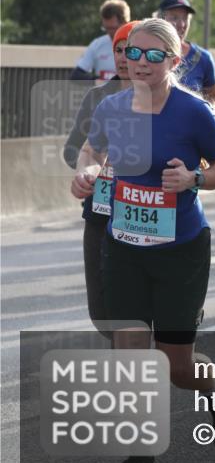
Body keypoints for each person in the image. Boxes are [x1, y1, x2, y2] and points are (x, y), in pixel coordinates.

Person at [70, 18, 215, 463]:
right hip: (123, 245)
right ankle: (140, 457)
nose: (139, 62)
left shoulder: (192, 111)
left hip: (181, 250)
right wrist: (86, 174)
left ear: (174, 59)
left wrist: (195, 180)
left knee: (176, 366)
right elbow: (90, 152)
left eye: (152, 54)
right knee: (129, 351)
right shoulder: (112, 107)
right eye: (132, 53)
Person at [63, 20, 137, 336]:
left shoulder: (168, 101)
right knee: (103, 316)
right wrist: (87, 170)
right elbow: (75, 150)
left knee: (139, 316)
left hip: (145, 217)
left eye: (131, 50)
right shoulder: (99, 98)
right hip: (102, 213)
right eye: (118, 49)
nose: (124, 56)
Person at [157, 0, 215, 107]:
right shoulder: (147, 54)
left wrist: (205, 113)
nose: (182, 25)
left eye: (185, 18)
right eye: (174, 18)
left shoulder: (202, 57)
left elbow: (214, 96)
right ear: (160, 19)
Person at [71, 0, 130, 83]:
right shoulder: (97, 44)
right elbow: (76, 75)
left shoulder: (138, 44)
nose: (110, 33)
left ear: (125, 23)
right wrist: (95, 81)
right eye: (106, 28)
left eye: (113, 28)